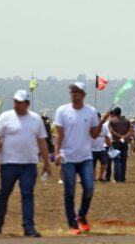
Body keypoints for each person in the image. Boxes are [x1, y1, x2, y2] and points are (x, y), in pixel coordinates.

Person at [0, 89, 50, 237]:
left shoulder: (36, 119)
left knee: (27, 194)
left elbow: (42, 141)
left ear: (27, 104)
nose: (16, 104)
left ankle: (28, 227)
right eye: (15, 101)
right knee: (4, 194)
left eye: (20, 102)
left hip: (29, 164)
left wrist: (47, 163)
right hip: (9, 163)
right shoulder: (5, 117)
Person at [53, 81, 104, 235]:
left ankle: (81, 215)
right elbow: (59, 135)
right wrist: (57, 153)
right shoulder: (62, 111)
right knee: (69, 191)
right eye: (72, 91)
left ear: (83, 94)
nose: (74, 94)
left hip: (85, 157)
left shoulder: (91, 112)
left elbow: (94, 135)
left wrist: (101, 122)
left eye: (77, 91)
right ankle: (72, 224)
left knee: (89, 188)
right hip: (68, 157)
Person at [107, 107, 132, 183]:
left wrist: (119, 136)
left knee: (116, 160)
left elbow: (111, 131)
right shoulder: (127, 121)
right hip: (124, 142)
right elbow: (130, 131)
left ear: (114, 113)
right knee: (123, 160)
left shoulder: (111, 121)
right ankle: (122, 178)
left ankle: (116, 178)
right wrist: (124, 136)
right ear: (121, 113)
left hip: (115, 142)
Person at [90, 113, 110, 180]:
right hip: (92, 149)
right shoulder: (90, 126)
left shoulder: (103, 127)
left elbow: (106, 137)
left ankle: (101, 176)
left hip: (101, 148)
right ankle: (93, 177)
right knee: (92, 165)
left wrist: (109, 144)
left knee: (104, 163)